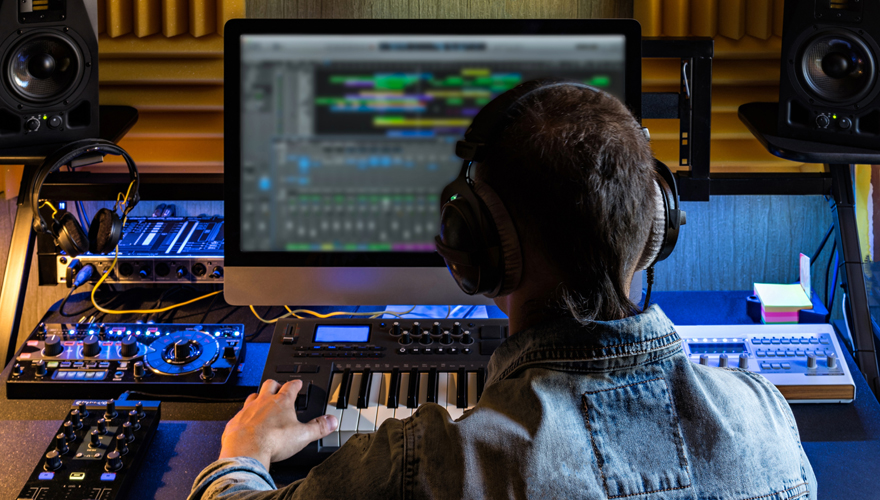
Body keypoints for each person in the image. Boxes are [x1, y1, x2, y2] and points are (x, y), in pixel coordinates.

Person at [189, 81, 816, 499]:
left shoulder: (431, 467)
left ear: (477, 246)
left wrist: (242, 455)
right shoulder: (766, 420)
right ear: (655, 230)